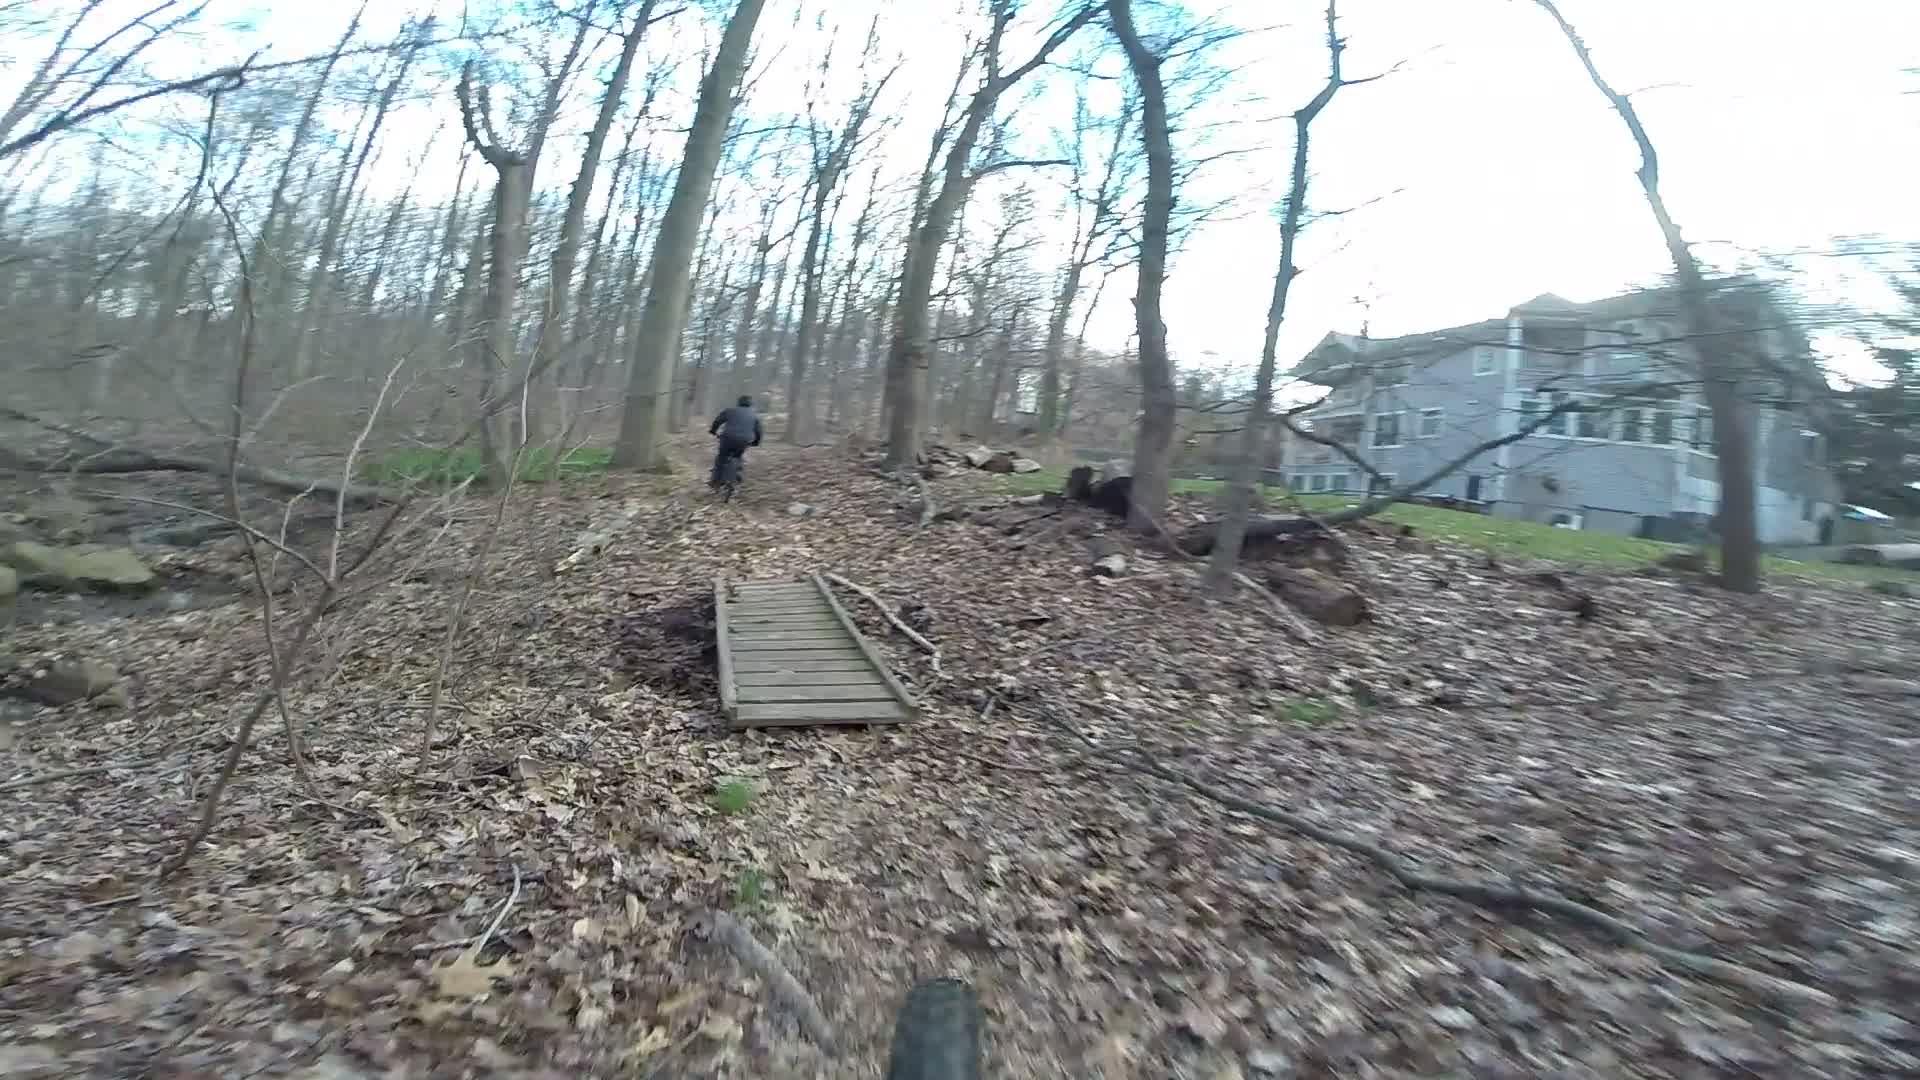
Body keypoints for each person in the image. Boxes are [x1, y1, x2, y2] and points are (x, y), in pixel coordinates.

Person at [708, 394, 763, 488]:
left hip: (728, 438)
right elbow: (759, 431)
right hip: (744, 440)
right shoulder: (754, 415)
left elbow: (718, 421)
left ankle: (715, 481)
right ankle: (736, 478)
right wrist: (756, 442)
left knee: (721, 457)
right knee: (738, 457)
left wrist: (713, 431)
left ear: (738, 403)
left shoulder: (730, 411)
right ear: (750, 404)